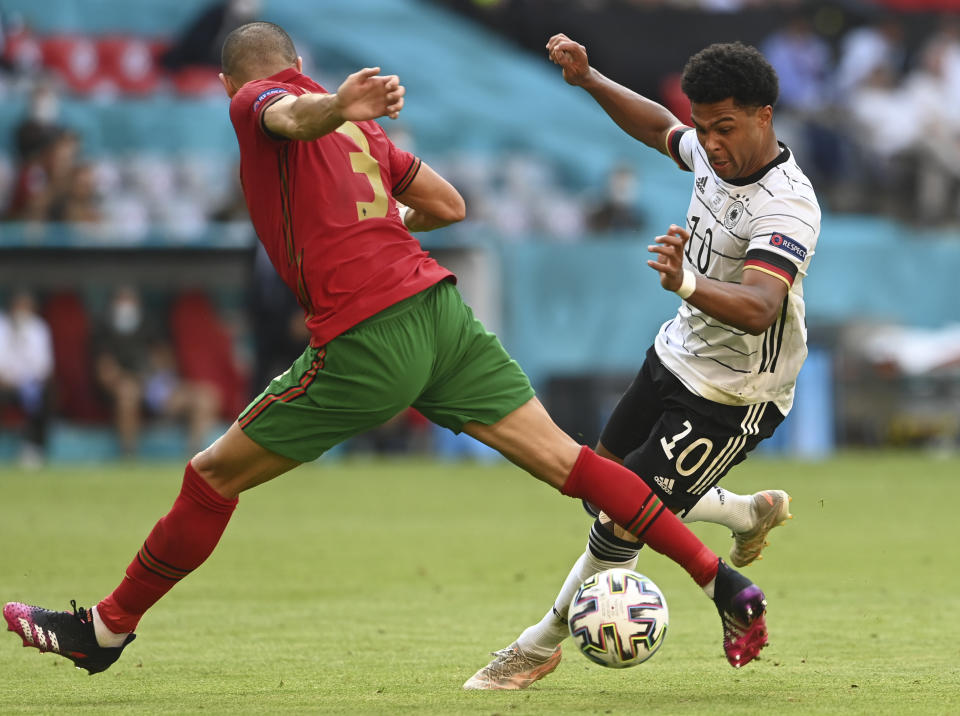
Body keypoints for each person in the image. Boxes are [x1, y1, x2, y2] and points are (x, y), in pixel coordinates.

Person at [3, 22, 767, 677]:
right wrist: (370, 199)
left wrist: (331, 105)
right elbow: (449, 205)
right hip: (441, 315)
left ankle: (105, 630)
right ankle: (720, 580)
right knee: (576, 466)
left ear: (235, 77)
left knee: (210, 478)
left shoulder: (258, 100)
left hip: (368, 335)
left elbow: (289, 119)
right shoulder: (364, 132)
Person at [463, 35, 820, 689]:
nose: (710, 143)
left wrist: (686, 282)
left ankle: (536, 645)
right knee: (607, 483)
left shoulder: (787, 204)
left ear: (765, 116)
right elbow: (660, 128)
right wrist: (590, 78)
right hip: (675, 353)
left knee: (621, 519)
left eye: (726, 128)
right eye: (705, 126)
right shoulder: (712, 152)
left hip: (736, 392)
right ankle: (743, 513)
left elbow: (762, 306)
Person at [92, 286, 222, 457]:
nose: (126, 307)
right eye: (121, 301)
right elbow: (106, 374)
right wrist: (133, 381)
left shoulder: (150, 325)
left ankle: (195, 459)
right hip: (129, 389)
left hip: (157, 388)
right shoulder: (103, 332)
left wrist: (159, 378)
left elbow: (167, 363)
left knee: (207, 396)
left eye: (130, 301)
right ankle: (129, 457)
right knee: (128, 393)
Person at [0, 289, 53, 468]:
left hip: (30, 385)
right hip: (4, 385)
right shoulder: (2, 326)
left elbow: (44, 366)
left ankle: (33, 449)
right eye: (19, 305)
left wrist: (31, 381)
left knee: (46, 396)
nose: (22, 310)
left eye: (26, 306)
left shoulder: (39, 328)